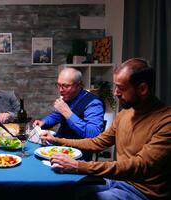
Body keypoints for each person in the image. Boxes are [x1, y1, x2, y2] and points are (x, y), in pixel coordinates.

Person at [40, 58, 171, 200]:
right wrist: (56, 140)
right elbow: (97, 142)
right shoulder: (125, 113)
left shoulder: (166, 121)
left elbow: (138, 166)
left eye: (121, 88)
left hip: (142, 191)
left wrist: (79, 166)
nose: (115, 93)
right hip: (118, 180)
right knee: (63, 191)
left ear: (143, 89)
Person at [34, 68, 105, 160]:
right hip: (58, 147)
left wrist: (67, 113)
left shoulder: (94, 103)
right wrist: (44, 122)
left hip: (78, 155)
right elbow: (57, 115)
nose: (60, 90)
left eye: (65, 86)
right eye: (58, 85)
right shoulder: (68, 96)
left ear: (79, 85)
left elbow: (93, 134)